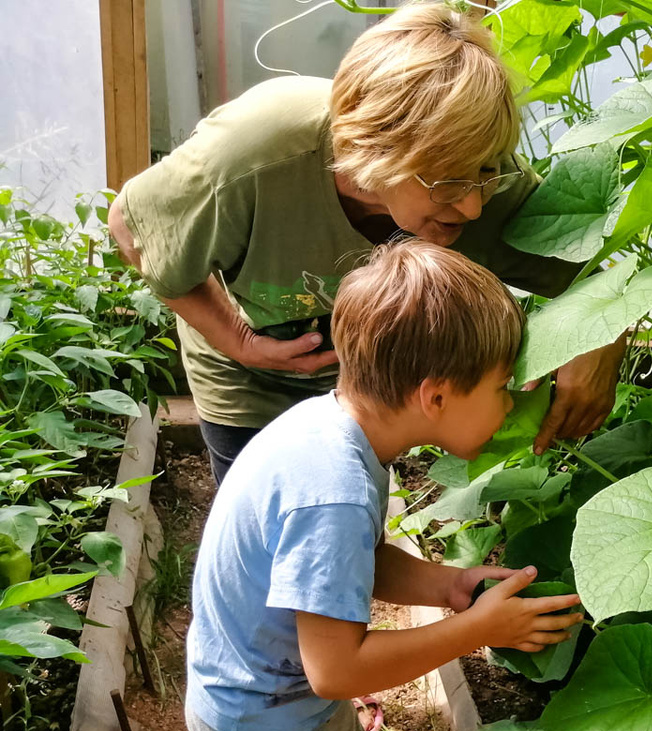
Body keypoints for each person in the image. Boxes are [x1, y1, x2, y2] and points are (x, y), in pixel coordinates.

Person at [184, 240, 583, 731]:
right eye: (499, 388)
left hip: (282, 686)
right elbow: (337, 670)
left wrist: (448, 587)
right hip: (262, 714)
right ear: (435, 396)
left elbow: (352, 564)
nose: (510, 403)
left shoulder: (337, 427)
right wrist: (476, 630)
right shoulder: (334, 490)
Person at [108, 0, 623, 484]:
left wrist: (604, 341)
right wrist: (239, 342)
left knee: (351, 520)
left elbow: (587, 276)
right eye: (447, 182)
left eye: (484, 174)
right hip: (250, 386)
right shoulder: (254, 155)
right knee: (270, 523)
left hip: (376, 397)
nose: (472, 207)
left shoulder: (483, 174)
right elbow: (132, 230)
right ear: (373, 150)